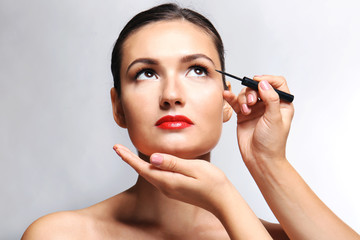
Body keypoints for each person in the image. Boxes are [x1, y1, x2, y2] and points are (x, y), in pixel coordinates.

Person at [22, 3, 359, 240]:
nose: (171, 95)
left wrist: (266, 162)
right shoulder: (61, 235)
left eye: (197, 70)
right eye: (147, 73)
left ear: (227, 100)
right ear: (119, 107)